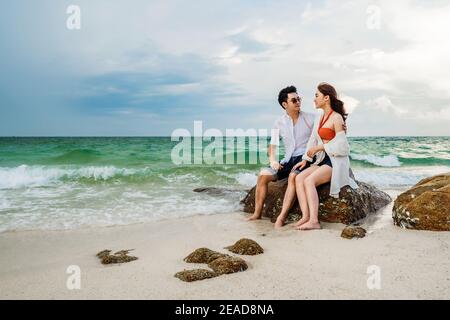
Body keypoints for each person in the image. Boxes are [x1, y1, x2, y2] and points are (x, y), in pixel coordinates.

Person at [290, 82, 358, 230]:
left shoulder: (337, 118)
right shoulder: (319, 118)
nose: (314, 99)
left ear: (326, 98)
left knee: (309, 181)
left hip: (335, 161)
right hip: (322, 160)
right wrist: (305, 160)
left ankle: (314, 221)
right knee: (299, 177)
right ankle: (306, 216)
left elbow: (343, 146)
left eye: (316, 96)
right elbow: (312, 140)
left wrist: (320, 147)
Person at [247, 85, 315, 224]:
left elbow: (327, 127)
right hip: (288, 160)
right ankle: (257, 214)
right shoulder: (279, 122)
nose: (298, 102)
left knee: (293, 177)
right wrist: (273, 161)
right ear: (285, 104)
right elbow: (272, 146)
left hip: (304, 159)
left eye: (299, 99)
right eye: (294, 100)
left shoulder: (311, 118)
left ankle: (282, 217)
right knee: (263, 176)